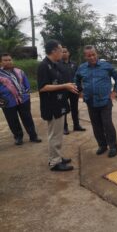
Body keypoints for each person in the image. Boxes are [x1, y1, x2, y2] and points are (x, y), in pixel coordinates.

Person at [37, 40, 78, 171]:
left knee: (58, 134)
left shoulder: (54, 64)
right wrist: (65, 86)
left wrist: (68, 87)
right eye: (60, 50)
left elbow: (58, 83)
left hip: (59, 104)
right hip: (52, 106)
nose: (62, 53)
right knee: (54, 135)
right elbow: (43, 87)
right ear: (54, 51)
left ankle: (57, 157)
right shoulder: (44, 66)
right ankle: (55, 162)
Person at [74, 45, 117, 158]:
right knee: (96, 125)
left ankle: (113, 146)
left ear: (97, 54)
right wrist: (79, 91)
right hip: (90, 101)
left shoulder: (106, 66)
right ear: (85, 56)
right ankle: (102, 145)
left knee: (107, 123)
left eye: (93, 55)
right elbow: (76, 80)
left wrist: (114, 92)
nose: (92, 57)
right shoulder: (82, 68)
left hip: (105, 101)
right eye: (89, 55)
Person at [0, 53, 41, 145]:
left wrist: (26, 94)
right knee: (12, 120)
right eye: (5, 60)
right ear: (1, 62)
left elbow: (26, 84)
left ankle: (33, 136)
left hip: (23, 99)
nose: (8, 62)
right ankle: (18, 137)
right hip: (7, 101)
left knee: (27, 118)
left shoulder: (19, 71)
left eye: (9, 59)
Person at [61, 46, 86, 135]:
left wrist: (80, 89)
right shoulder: (57, 65)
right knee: (63, 109)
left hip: (74, 89)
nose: (64, 53)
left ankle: (76, 125)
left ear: (68, 53)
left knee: (74, 108)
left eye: (65, 52)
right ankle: (64, 127)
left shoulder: (74, 64)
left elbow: (79, 77)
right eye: (62, 52)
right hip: (63, 90)